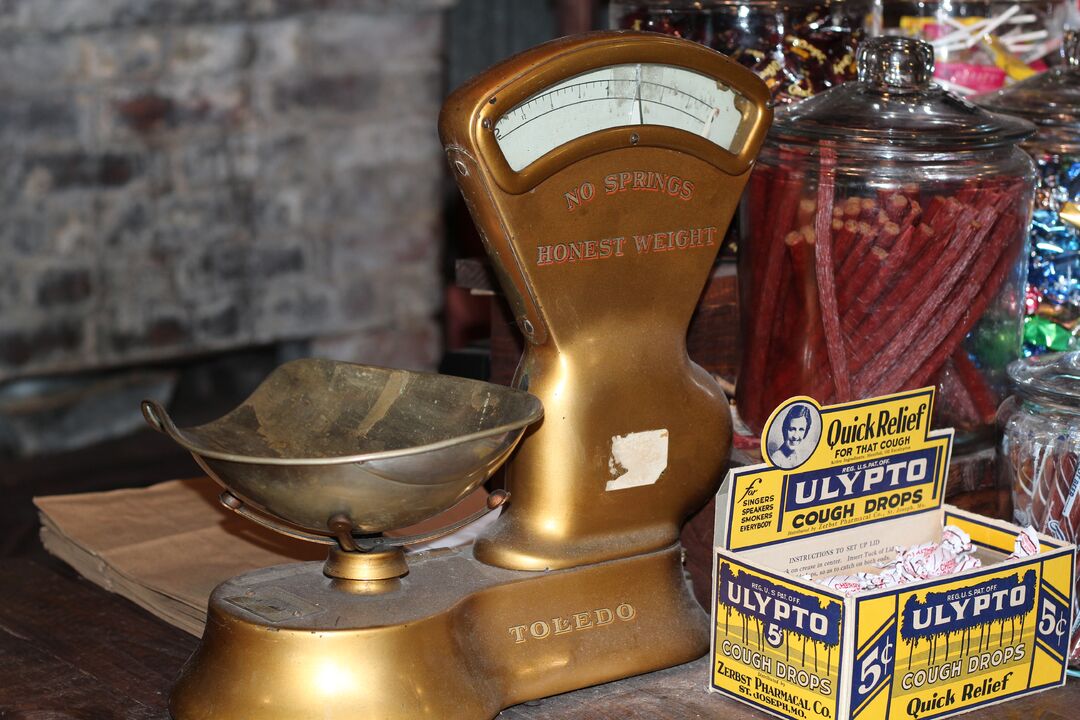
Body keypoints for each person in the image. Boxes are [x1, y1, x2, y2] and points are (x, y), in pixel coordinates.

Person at [769, 404, 813, 469]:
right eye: (792, 429)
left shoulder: (798, 455)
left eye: (801, 430)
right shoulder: (776, 460)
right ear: (785, 429)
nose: (796, 436)